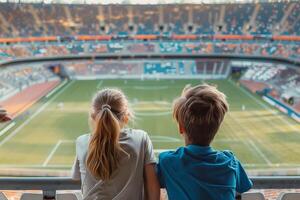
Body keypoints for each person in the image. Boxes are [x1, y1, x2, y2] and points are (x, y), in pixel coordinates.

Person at [156, 84, 252, 200]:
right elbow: (243, 187)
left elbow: (151, 183)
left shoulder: (167, 161)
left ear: (181, 127)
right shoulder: (230, 162)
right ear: (217, 128)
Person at [72, 88, 160, 200]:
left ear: (93, 117)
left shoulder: (81, 142)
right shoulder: (141, 138)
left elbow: (76, 177)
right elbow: (152, 186)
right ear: (126, 117)